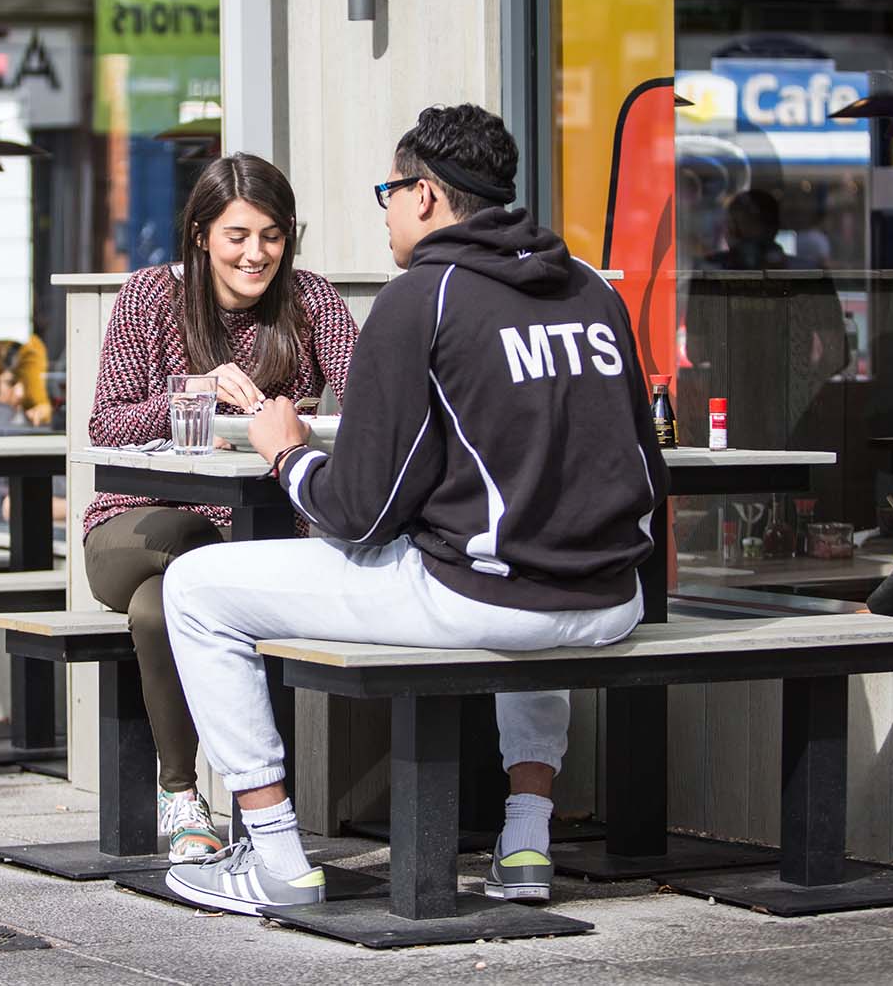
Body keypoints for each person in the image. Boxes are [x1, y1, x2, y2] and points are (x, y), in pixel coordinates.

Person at [160, 105, 664, 915]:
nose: (387, 209)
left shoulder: (420, 298)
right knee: (525, 554)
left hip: (481, 600)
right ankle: (528, 833)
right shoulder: (593, 292)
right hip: (612, 600)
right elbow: (646, 459)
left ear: (425, 196)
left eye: (389, 191)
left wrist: (287, 452)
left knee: (192, 588)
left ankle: (276, 855)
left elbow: (357, 513)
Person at [84, 153, 358, 864]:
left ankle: (181, 795)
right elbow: (106, 423)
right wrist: (194, 390)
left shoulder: (311, 301)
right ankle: (216, 798)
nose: (256, 252)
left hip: (251, 534)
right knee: (182, 551)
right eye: (238, 235)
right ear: (202, 233)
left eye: (272, 234)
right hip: (134, 525)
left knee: (158, 607)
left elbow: (366, 399)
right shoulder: (148, 295)